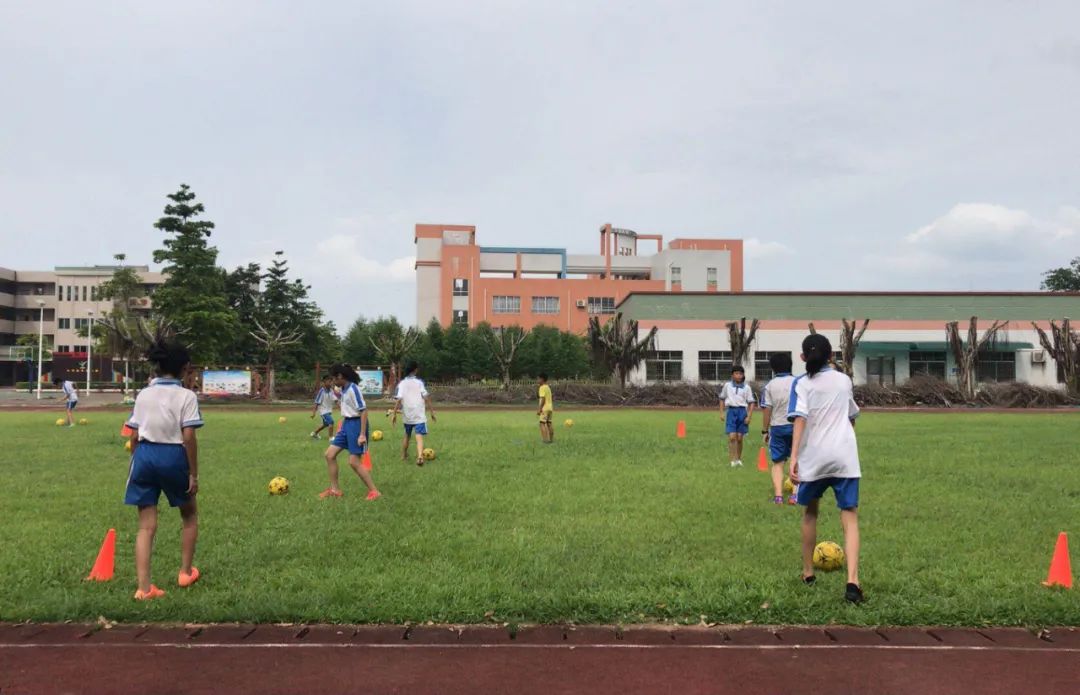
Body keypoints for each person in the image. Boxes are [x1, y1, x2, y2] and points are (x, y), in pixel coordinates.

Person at [123, 340, 203, 601]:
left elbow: (133, 434)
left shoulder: (144, 394)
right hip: (172, 455)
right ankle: (185, 572)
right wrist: (193, 473)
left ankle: (144, 589)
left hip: (144, 455)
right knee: (189, 515)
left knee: (146, 526)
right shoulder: (186, 396)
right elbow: (188, 436)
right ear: (185, 368)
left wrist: (136, 460)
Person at [788, 333, 863, 604]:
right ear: (831, 356)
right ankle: (852, 581)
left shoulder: (801, 384)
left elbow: (800, 419)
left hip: (814, 459)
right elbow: (852, 415)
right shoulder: (844, 380)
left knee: (810, 513)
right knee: (850, 517)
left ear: (802, 357)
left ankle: (808, 572)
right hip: (845, 458)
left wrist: (793, 456)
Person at [320, 364, 380, 501]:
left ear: (340, 377)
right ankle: (335, 490)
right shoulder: (344, 389)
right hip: (346, 424)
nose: (333, 382)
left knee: (354, 462)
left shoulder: (353, 389)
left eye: (334, 379)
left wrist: (362, 434)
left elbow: (363, 410)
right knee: (329, 455)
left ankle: (374, 491)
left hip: (356, 425)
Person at [760, 353, 798, 505]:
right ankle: (795, 495)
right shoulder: (798, 382)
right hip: (797, 426)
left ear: (773, 368)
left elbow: (767, 409)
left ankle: (778, 496)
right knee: (796, 460)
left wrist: (765, 430)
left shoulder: (769, 386)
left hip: (777, 427)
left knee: (778, 463)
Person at [392, 361, 437, 466]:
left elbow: (398, 399)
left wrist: (394, 413)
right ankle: (420, 457)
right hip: (418, 414)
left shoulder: (402, 383)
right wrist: (432, 412)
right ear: (415, 370)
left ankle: (403, 455)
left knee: (407, 435)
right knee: (419, 436)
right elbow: (426, 397)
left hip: (407, 415)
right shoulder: (419, 382)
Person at [718, 366, 755, 467]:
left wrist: (749, 416)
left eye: (740, 374)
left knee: (739, 438)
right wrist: (721, 413)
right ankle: (732, 460)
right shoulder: (727, 386)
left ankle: (738, 459)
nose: (738, 376)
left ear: (743, 375)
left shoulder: (747, 388)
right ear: (732, 375)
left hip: (742, 412)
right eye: (736, 373)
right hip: (731, 412)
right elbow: (722, 398)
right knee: (732, 437)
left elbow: (751, 402)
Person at [309, 375, 339, 440]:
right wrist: (313, 413)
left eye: (331, 382)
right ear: (324, 382)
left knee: (325, 424)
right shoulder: (321, 391)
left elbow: (335, 400)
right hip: (323, 411)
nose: (331, 383)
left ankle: (314, 433)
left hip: (328, 411)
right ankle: (331, 437)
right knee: (331, 422)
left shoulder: (331, 390)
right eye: (329, 381)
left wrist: (341, 407)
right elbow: (316, 402)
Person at [537, 373, 554, 444]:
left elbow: (543, 399)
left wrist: (540, 409)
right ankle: (551, 440)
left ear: (542, 379)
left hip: (545, 408)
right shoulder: (548, 387)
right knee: (549, 423)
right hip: (550, 408)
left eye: (538, 379)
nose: (537, 380)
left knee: (542, 424)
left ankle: (545, 440)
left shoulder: (542, 387)